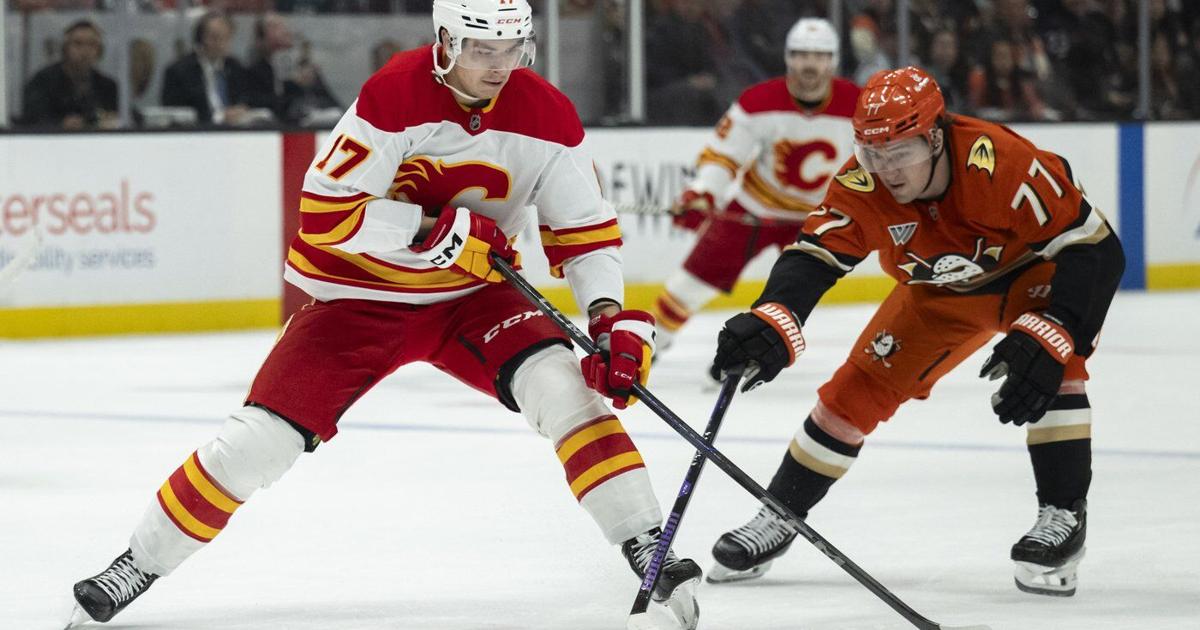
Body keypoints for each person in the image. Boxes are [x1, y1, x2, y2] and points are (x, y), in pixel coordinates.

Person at [66, 1, 702, 628]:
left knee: (566, 392)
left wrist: (607, 318)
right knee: (259, 443)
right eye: (483, 49)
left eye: (513, 49)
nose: (499, 65)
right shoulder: (395, 94)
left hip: (475, 297)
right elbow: (324, 214)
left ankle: (647, 541)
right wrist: (427, 228)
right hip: (359, 296)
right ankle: (137, 563)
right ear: (446, 42)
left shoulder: (547, 113)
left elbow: (585, 232)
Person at [705, 67, 1123, 597]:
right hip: (937, 295)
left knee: (1052, 364)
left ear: (935, 138)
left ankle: (1063, 514)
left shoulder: (1000, 162)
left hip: (1031, 277)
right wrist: (775, 314)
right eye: (871, 153)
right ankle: (780, 514)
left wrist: (1056, 328)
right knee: (852, 394)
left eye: (898, 152)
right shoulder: (862, 184)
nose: (884, 170)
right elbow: (815, 253)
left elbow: (1096, 248)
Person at [650, 18, 859, 355]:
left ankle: (754, 355)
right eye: (801, 55)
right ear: (788, 57)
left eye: (819, 56)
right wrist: (703, 193)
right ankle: (650, 345)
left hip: (816, 220)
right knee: (689, 283)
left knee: (792, 298)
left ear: (833, 60)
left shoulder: (858, 105)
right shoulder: (758, 100)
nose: (809, 64)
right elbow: (724, 155)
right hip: (755, 208)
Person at [20, 20, 117, 130]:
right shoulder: (42, 82)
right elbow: (31, 120)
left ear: (100, 51)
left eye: (92, 44)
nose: (85, 51)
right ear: (65, 48)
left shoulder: (108, 86)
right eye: (78, 43)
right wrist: (60, 124)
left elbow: (122, 117)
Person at [161, 12, 251, 125]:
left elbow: (244, 98)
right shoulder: (179, 71)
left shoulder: (235, 66)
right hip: (198, 131)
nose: (222, 44)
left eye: (227, 38)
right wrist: (220, 117)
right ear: (201, 39)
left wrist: (240, 109)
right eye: (216, 38)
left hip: (235, 130)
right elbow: (178, 114)